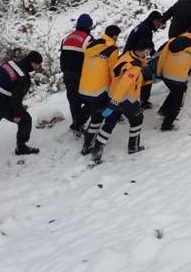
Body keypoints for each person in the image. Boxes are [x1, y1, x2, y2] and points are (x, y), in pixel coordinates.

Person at [88, 37, 153, 164]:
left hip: (112, 95)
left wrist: (113, 101)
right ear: (145, 51)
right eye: (148, 52)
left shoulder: (126, 56)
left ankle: (96, 154)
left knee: (109, 124)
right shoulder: (134, 68)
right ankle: (133, 147)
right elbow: (124, 84)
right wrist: (116, 102)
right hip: (125, 99)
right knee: (137, 119)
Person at [0, 50, 43, 155]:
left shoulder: (9, 63)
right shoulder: (24, 78)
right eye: (37, 65)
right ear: (32, 63)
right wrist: (17, 114)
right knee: (25, 120)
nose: (37, 68)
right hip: (2, 104)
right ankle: (21, 147)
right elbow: (16, 99)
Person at [78, 25, 122, 157]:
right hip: (98, 89)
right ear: (115, 36)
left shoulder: (91, 45)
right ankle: (87, 145)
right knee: (97, 118)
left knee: (94, 113)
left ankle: (84, 134)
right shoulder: (112, 50)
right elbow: (112, 72)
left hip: (84, 86)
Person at [158, 21, 191, 131]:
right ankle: (166, 125)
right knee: (179, 101)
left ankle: (163, 111)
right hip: (179, 79)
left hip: (166, 75)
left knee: (173, 92)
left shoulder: (172, 41)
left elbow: (162, 57)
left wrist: (159, 72)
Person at [59, 14, 94, 137]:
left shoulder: (66, 38)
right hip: (80, 76)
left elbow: (62, 58)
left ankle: (76, 125)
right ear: (89, 27)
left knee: (74, 101)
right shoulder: (88, 40)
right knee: (92, 101)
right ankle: (78, 123)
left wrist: (64, 71)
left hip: (67, 75)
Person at [125, 10, 165, 108]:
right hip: (133, 59)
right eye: (160, 23)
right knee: (147, 74)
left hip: (128, 56)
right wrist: (156, 55)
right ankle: (142, 101)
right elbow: (146, 47)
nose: (160, 26)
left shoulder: (142, 26)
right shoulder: (146, 30)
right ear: (155, 21)